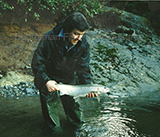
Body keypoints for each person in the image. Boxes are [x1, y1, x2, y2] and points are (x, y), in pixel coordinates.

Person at [31, 12, 97, 129]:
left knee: (76, 116)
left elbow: (83, 67)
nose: (79, 38)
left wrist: (87, 85)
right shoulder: (49, 38)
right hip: (49, 78)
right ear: (67, 30)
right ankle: (54, 131)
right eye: (76, 33)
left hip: (69, 79)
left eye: (82, 34)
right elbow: (37, 62)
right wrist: (46, 81)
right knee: (51, 120)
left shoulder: (83, 44)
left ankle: (78, 130)